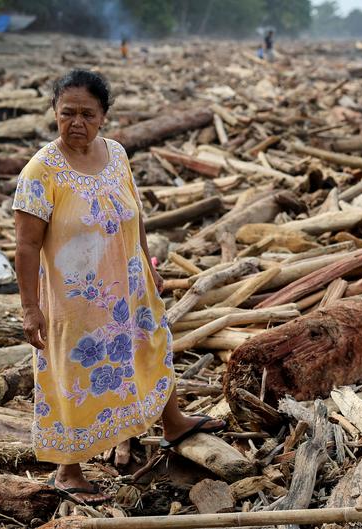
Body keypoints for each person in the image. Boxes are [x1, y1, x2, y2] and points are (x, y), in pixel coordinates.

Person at [12, 69, 226, 504]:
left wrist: (147, 262)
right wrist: (30, 308)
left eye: (86, 114)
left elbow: (135, 214)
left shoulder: (116, 155)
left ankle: (173, 423)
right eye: (66, 113)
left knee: (151, 347)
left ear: (103, 116)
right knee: (72, 375)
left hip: (128, 285)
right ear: (54, 113)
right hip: (77, 301)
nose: (76, 122)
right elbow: (26, 245)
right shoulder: (41, 171)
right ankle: (68, 470)